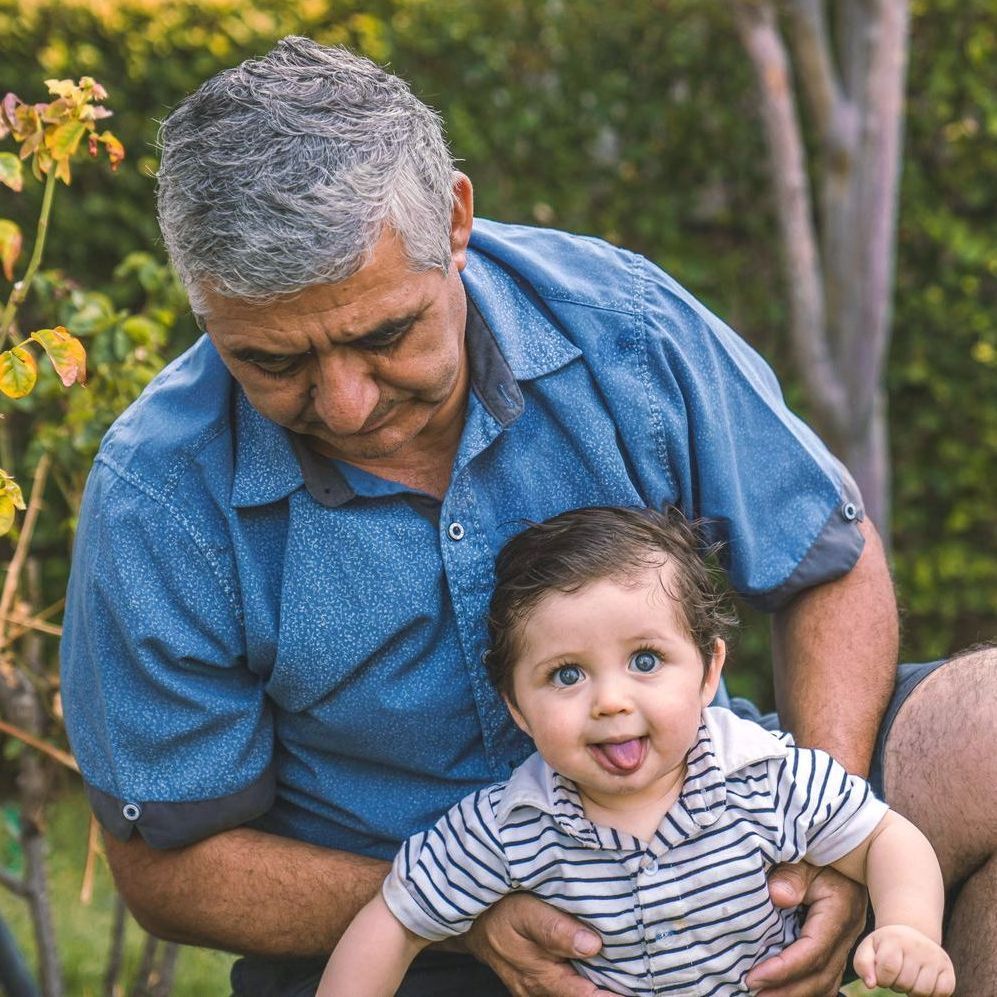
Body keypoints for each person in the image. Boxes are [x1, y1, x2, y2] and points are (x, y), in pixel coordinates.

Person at [59, 36, 994, 997]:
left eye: (384, 335)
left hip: (720, 819)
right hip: (405, 930)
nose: (343, 403)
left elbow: (823, 558)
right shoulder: (156, 498)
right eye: (272, 362)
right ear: (206, 311)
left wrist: (820, 847)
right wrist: (464, 909)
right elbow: (168, 863)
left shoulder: (619, 325)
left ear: (455, 223)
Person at [318, 506, 956, 997]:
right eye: (567, 675)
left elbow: (886, 839)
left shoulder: (763, 776)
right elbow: (395, 919)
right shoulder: (512, 826)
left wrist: (908, 927)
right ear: (516, 705)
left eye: (645, 661)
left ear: (708, 673)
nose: (610, 702)